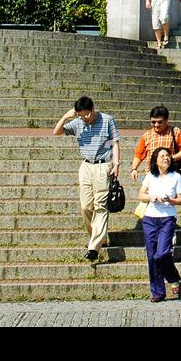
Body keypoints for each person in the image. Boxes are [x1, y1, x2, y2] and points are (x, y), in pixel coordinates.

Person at [53, 96, 120, 262]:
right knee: (85, 206)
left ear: (93, 109)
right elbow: (57, 132)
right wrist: (66, 117)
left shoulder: (107, 120)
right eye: (81, 115)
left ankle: (94, 248)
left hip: (103, 165)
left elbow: (115, 143)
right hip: (86, 166)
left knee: (101, 206)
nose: (85, 118)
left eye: (86, 115)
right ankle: (96, 237)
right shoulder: (78, 123)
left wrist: (116, 164)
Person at [138, 147, 181, 301]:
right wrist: (152, 197)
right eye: (162, 156)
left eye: (167, 156)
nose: (166, 158)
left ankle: (172, 277)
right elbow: (141, 195)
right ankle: (158, 292)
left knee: (162, 253)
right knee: (152, 256)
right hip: (150, 219)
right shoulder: (151, 176)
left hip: (167, 218)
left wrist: (169, 200)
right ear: (156, 160)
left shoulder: (176, 176)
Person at [129, 105, 181, 184]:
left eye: (159, 122)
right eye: (153, 122)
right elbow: (139, 154)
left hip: (170, 175)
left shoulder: (175, 132)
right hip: (152, 175)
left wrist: (171, 158)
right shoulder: (147, 135)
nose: (156, 125)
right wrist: (134, 169)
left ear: (166, 120)